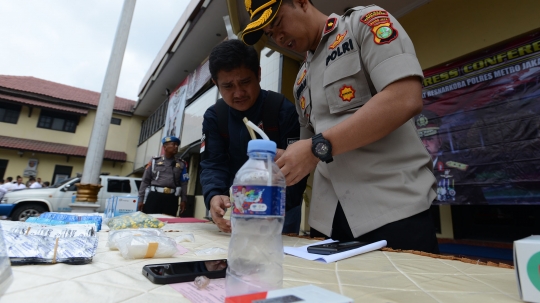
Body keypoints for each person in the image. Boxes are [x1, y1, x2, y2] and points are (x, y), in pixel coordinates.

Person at [241, 0, 439, 252]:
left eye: (277, 22)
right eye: (270, 34)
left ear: (301, 2)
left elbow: (404, 98)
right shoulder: (301, 79)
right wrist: (287, 160)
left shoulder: (362, 24)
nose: (278, 37)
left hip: (392, 213)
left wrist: (316, 148)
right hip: (328, 224)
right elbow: (307, 147)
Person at [200, 39, 308, 234]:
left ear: (258, 74)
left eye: (244, 82)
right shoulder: (215, 117)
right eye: (228, 86)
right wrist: (214, 196)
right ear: (216, 84)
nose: (239, 93)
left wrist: (268, 205)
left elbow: (297, 172)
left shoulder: (282, 110)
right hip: (234, 211)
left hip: (281, 214)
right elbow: (212, 164)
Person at [416, 111, 486, 204]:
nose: (424, 144)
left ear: (439, 142)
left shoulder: (457, 171)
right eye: (420, 140)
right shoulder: (408, 173)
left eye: (429, 139)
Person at [137, 136, 189, 217]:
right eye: (174, 144)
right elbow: (145, 181)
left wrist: (184, 200)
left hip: (172, 198)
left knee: (169, 223)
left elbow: (184, 183)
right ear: (165, 147)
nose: (176, 147)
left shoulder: (181, 164)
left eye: (177, 145)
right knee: (150, 221)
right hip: (154, 196)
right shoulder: (154, 161)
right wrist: (140, 199)